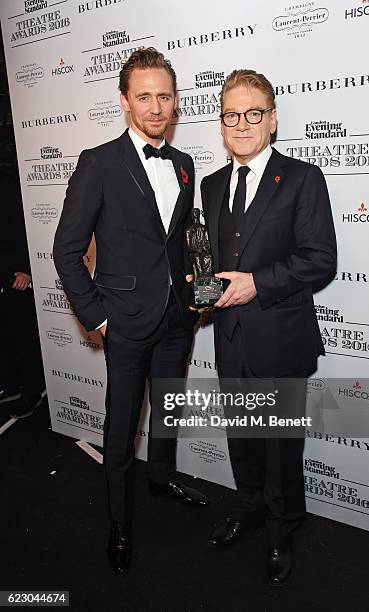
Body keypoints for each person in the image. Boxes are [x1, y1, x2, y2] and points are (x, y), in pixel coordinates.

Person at [53, 48, 208, 576]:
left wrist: (195, 290)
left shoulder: (185, 165)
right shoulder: (98, 162)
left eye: (164, 96)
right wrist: (97, 317)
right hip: (123, 321)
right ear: (124, 101)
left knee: (166, 410)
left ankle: (161, 480)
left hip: (176, 320)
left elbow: (179, 242)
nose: (156, 107)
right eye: (144, 97)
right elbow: (66, 251)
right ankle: (120, 522)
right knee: (121, 429)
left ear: (176, 101)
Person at [198, 69, 337, 586]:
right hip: (229, 339)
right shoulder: (211, 185)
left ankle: (282, 529)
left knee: (281, 447)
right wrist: (201, 290)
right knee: (242, 439)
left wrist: (258, 282)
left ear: (272, 119)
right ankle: (249, 508)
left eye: (253, 112)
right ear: (222, 122)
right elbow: (213, 260)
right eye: (231, 114)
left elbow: (320, 259)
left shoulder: (303, 178)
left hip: (281, 341)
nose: (241, 123)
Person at [0, 169, 45, 418]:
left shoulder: (6, 183)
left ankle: (32, 391)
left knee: (22, 334)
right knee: (4, 336)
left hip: (15, 275)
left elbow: (23, 226)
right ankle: (11, 385)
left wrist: (27, 269)